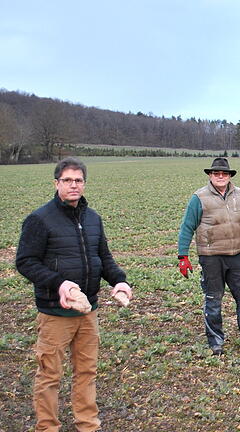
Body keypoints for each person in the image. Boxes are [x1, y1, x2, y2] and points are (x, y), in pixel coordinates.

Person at [16, 157, 133, 432]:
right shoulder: (39, 219)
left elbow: (102, 257)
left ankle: (88, 425)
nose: (73, 185)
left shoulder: (92, 219)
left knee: (87, 372)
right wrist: (59, 284)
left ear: (84, 183)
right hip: (56, 312)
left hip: (88, 310)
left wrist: (120, 281)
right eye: (67, 180)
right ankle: (47, 427)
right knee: (49, 375)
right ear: (56, 183)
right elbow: (26, 262)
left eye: (78, 180)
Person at [177, 157, 240, 356]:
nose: (220, 176)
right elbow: (187, 228)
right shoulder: (198, 198)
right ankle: (216, 342)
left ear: (229, 175)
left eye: (224, 173)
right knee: (213, 300)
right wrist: (183, 256)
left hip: (237, 258)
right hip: (211, 258)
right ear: (210, 175)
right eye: (216, 173)